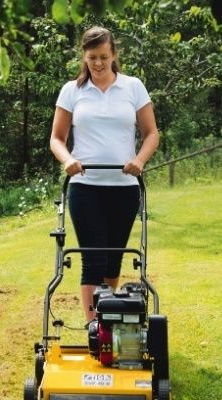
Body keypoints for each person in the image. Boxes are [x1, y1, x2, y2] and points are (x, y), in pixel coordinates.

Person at [50, 26, 159, 323]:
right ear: (84, 57)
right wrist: (68, 160)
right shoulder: (72, 91)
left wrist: (139, 160)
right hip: (85, 187)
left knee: (113, 261)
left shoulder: (133, 87)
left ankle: (107, 318)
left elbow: (151, 134)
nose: (98, 63)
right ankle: (91, 327)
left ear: (114, 55)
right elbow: (56, 138)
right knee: (93, 259)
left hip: (124, 188)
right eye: (92, 57)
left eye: (103, 57)